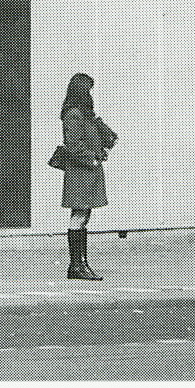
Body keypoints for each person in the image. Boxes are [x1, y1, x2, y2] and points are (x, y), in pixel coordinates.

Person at [59, 72, 117, 281]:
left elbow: (92, 138)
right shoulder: (74, 114)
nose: (90, 94)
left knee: (84, 215)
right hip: (81, 172)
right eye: (88, 90)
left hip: (87, 172)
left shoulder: (84, 114)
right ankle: (77, 265)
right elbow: (74, 145)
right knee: (79, 215)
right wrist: (92, 159)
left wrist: (102, 146)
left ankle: (80, 264)